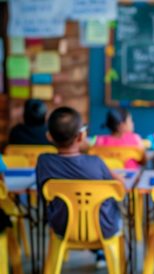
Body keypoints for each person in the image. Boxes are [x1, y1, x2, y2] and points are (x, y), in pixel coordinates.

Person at [36, 107, 125, 268]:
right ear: (81, 136)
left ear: (49, 136)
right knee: (114, 212)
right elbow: (120, 186)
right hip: (103, 228)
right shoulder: (96, 162)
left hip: (62, 227)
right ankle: (102, 254)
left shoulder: (44, 162)